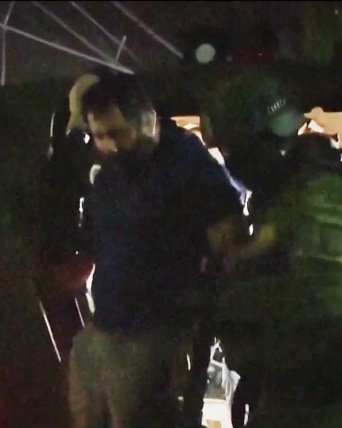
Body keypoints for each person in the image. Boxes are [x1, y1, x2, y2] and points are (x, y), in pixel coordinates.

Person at [203, 71, 342, 428]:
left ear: (261, 141)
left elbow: (324, 303)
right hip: (288, 397)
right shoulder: (283, 195)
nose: (229, 161)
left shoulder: (324, 194)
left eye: (231, 149)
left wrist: (226, 295)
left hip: (329, 407)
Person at [67, 74, 247, 428]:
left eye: (117, 133)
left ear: (148, 120)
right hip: (104, 327)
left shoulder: (188, 165)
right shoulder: (113, 172)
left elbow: (228, 240)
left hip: (155, 336)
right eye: (99, 136)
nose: (109, 145)